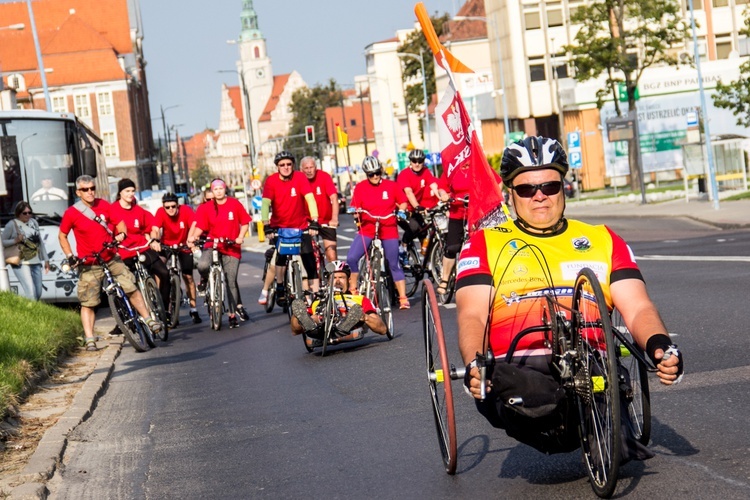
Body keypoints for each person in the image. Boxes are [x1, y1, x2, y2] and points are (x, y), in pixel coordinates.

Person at [456, 136, 684, 459]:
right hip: (520, 377)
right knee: (530, 389)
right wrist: (475, 363)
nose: (539, 197)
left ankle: (599, 423)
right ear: (511, 194)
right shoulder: (483, 244)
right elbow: (472, 315)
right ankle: (572, 409)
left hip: (589, 367)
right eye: (526, 189)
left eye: (549, 186)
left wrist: (660, 345)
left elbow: (638, 307)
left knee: (602, 396)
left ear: (564, 187)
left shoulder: (603, 239)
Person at [58, 175, 162, 351]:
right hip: (89, 262)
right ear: (78, 192)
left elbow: (120, 223)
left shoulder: (104, 205)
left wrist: (121, 233)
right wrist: (70, 255)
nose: (90, 192)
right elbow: (62, 235)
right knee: (88, 301)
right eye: (85, 189)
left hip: (111, 256)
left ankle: (148, 319)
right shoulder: (72, 213)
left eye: (92, 188)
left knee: (130, 286)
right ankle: (90, 338)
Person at [346, 155, 410, 309]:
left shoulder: (391, 186)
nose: (375, 176)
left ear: (381, 171)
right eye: (371, 174)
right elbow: (354, 206)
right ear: (366, 175)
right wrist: (354, 211)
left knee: (393, 263)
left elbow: (402, 202)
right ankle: (353, 288)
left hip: (388, 228)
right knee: (352, 258)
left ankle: (402, 297)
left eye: (377, 173)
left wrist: (401, 211)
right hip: (367, 228)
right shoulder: (360, 187)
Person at [436, 153, 502, 297]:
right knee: (452, 247)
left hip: (477, 211)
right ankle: (445, 279)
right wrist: (444, 195)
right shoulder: (452, 168)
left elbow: (497, 182)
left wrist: (492, 197)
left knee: (483, 244)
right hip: (457, 211)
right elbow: (442, 187)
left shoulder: (479, 164)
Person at [188, 178, 251, 328]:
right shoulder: (206, 208)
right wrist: (193, 238)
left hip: (231, 246)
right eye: (215, 189)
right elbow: (200, 227)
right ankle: (204, 281)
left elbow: (245, 222)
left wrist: (240, 237)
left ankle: (231, 314)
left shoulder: (234, 204)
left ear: (225, 189)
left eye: (220, 188)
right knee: (202, 265)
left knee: (231, 281)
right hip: (212, 244)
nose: (218, 191)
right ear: (212, 191)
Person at [260, 151, 319, 305]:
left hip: (300, 226)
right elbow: (265, 203)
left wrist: (314, 221)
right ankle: (279, 286)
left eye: (288, 164)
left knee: (308, 258)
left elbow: (310, 198)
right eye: (282, 165)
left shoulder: (299, 177)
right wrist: (266, 225)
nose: (286, 167)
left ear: (293, 165)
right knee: (280, 256)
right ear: (277, 167)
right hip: (279, 226)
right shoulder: (271, 181)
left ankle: (310, 294)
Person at [109, 178, 171, 317]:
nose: (130, 194)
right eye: (127, 191)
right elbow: (107, 231)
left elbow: (152, 226)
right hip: (124, 251)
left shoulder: (139, 210)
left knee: (164, 273)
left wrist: (154, 239)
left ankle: (164, 308)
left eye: (132, 191)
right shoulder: (112, 210)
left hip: (141, 247)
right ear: (120, 193)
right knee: (126, 284)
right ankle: (127, 316)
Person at [290, 260, 387, 348]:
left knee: (354, 312)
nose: (337, 281)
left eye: (341, 277)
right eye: (333, 278)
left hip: (349, 326)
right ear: (328, 281)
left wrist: (365, 317)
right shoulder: (318, 300)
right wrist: (299, 316)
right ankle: (310, 324)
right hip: (319, 330)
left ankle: (343, 326)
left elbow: (382, 329)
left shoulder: (360, 299)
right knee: (307, 317)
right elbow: (295, 331)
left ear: (348, 280)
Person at [155, 192, 202, 324]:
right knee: (160, 271)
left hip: (183, 245)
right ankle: (165, 306)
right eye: (167, 207)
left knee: (188, 277)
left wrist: (190, 239)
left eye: (173, 206)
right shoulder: (160, 212)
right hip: (166, 246)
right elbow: (155, 228)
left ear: (178, 205)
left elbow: (194, 224)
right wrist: (155, 240)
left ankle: (193, 309)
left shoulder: (186, 210)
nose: (170, 209)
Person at [1, 201, 50, 300]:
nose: (28, 215)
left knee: (38, 292)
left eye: (29, 212)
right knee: (31, 292)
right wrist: (15, 240)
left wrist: (46, 259)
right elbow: (2, 242)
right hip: (21, 262)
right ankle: (32, 313)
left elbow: (39, 241)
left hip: (36, 261)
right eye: (25, 213)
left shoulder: (34, 222)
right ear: (18, 213)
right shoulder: (12, 224)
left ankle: (31, 310)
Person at [300, 156, 339, 263]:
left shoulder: (324, 177)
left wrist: (334, 218)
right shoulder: (299, 179)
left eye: (311, 167)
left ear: (315, 167)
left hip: (326, 221)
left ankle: (333, 278)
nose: (309, 170)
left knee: (331, 255)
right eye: (306, 168)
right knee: (307, 257)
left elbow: (334, 198)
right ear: (301, 170)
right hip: (307, 222)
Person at [397, 149, 439, 248]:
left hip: (416, 210)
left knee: (424, 232)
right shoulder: (404, 174)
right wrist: (417, 206)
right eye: (414, 161)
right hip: (402, 209)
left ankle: (427, 260)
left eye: (420, 161)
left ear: (423, 162)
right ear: (410, 161)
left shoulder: (425, 171)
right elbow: (408, 192)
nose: (417, 164)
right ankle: (404, 246)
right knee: (415, 228)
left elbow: (433, 185)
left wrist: (441, 198)